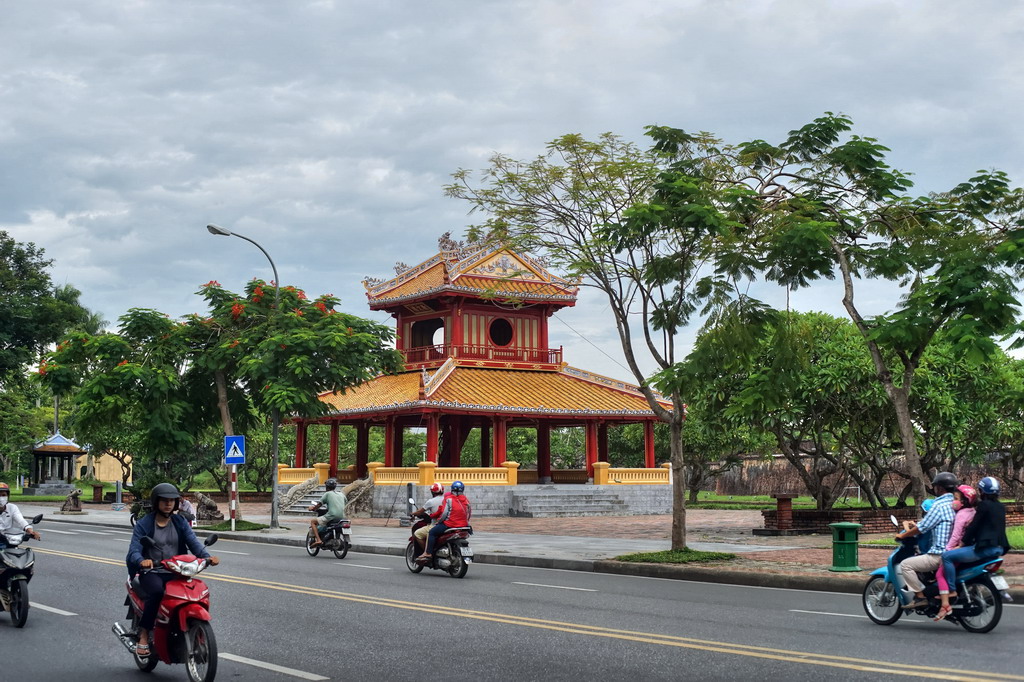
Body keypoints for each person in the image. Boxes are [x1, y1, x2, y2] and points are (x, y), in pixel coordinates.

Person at [126, 483, 219, 657]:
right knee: (157, 592)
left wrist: (207, 557)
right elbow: (134, 550)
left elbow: (193, 543)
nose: (168, 504)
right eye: (164, 501)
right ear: (156, 502)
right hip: (153, 572)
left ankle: (187, 626)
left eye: (172, 501)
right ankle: (144, 634)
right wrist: (142, 561)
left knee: (196, 591)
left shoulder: (180, 521)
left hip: (177, 570)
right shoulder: (145, 524)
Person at [938, 476, 1011, 615]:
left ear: (982, 491)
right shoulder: (1001, 507)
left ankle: (952, 590)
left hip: (984, 549)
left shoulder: (983, 506)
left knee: (947, 557)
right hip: (999, 549)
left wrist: (962, 543)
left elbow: (974, 527)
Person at [895, 472, 958, 610]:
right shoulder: (957, 503)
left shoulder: (938, 505)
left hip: (939, 554)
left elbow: (922, 528)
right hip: (956, 551)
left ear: (939, 488)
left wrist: (902, 536)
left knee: (905, 565)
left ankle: (920, 597)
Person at [933, 484, 978, 620]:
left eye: (956, 498)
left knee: (940, 574)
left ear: (963, 501)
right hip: (970, 547)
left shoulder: (961, 514)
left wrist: (947, 550)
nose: (954, 501)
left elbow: (956, 535)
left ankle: (947, 601)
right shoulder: (973, 512)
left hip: (958, 549)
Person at [417, 480, 471, 563]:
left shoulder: (449, 499)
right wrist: (466, 522)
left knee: (432, 532)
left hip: (450, 525)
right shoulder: (466, 500)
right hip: (464, 525)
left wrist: (439, 521)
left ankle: (428, 553)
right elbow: (469, 512)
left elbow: (444, 514)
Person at [308, 478, 346, 547]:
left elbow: (319, 504)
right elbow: (345, 503)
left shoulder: (327, 494)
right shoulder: (341, 494)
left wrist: (312, 508)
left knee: (313, 522)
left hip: (332, 515)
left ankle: (318, 540)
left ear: (326, 487)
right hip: (342, 516)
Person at [411, 483, 445, 553]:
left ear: (432, 492)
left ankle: (427, 552)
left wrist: (412, 514)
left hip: (435, 525)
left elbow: (420, 511)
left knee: (417, 534)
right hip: (446, 525)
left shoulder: (431, 501)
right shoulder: (447, 500)